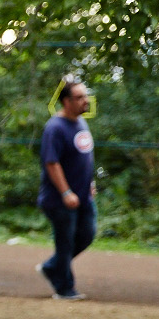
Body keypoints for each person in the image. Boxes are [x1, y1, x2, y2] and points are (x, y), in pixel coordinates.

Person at [38, 78, 95, 300]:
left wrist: (90, 184)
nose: (85, 101)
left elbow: (84, 157)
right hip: (60, 199)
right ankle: (64, 288)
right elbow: (52, 163)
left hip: (83, 196)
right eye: (79, 97)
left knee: (87, 234)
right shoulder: (55, 128)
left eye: (85, 96)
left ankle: (53, 267)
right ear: (66, 101)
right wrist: (65, 192)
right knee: (66, 242)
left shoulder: (81, 122)